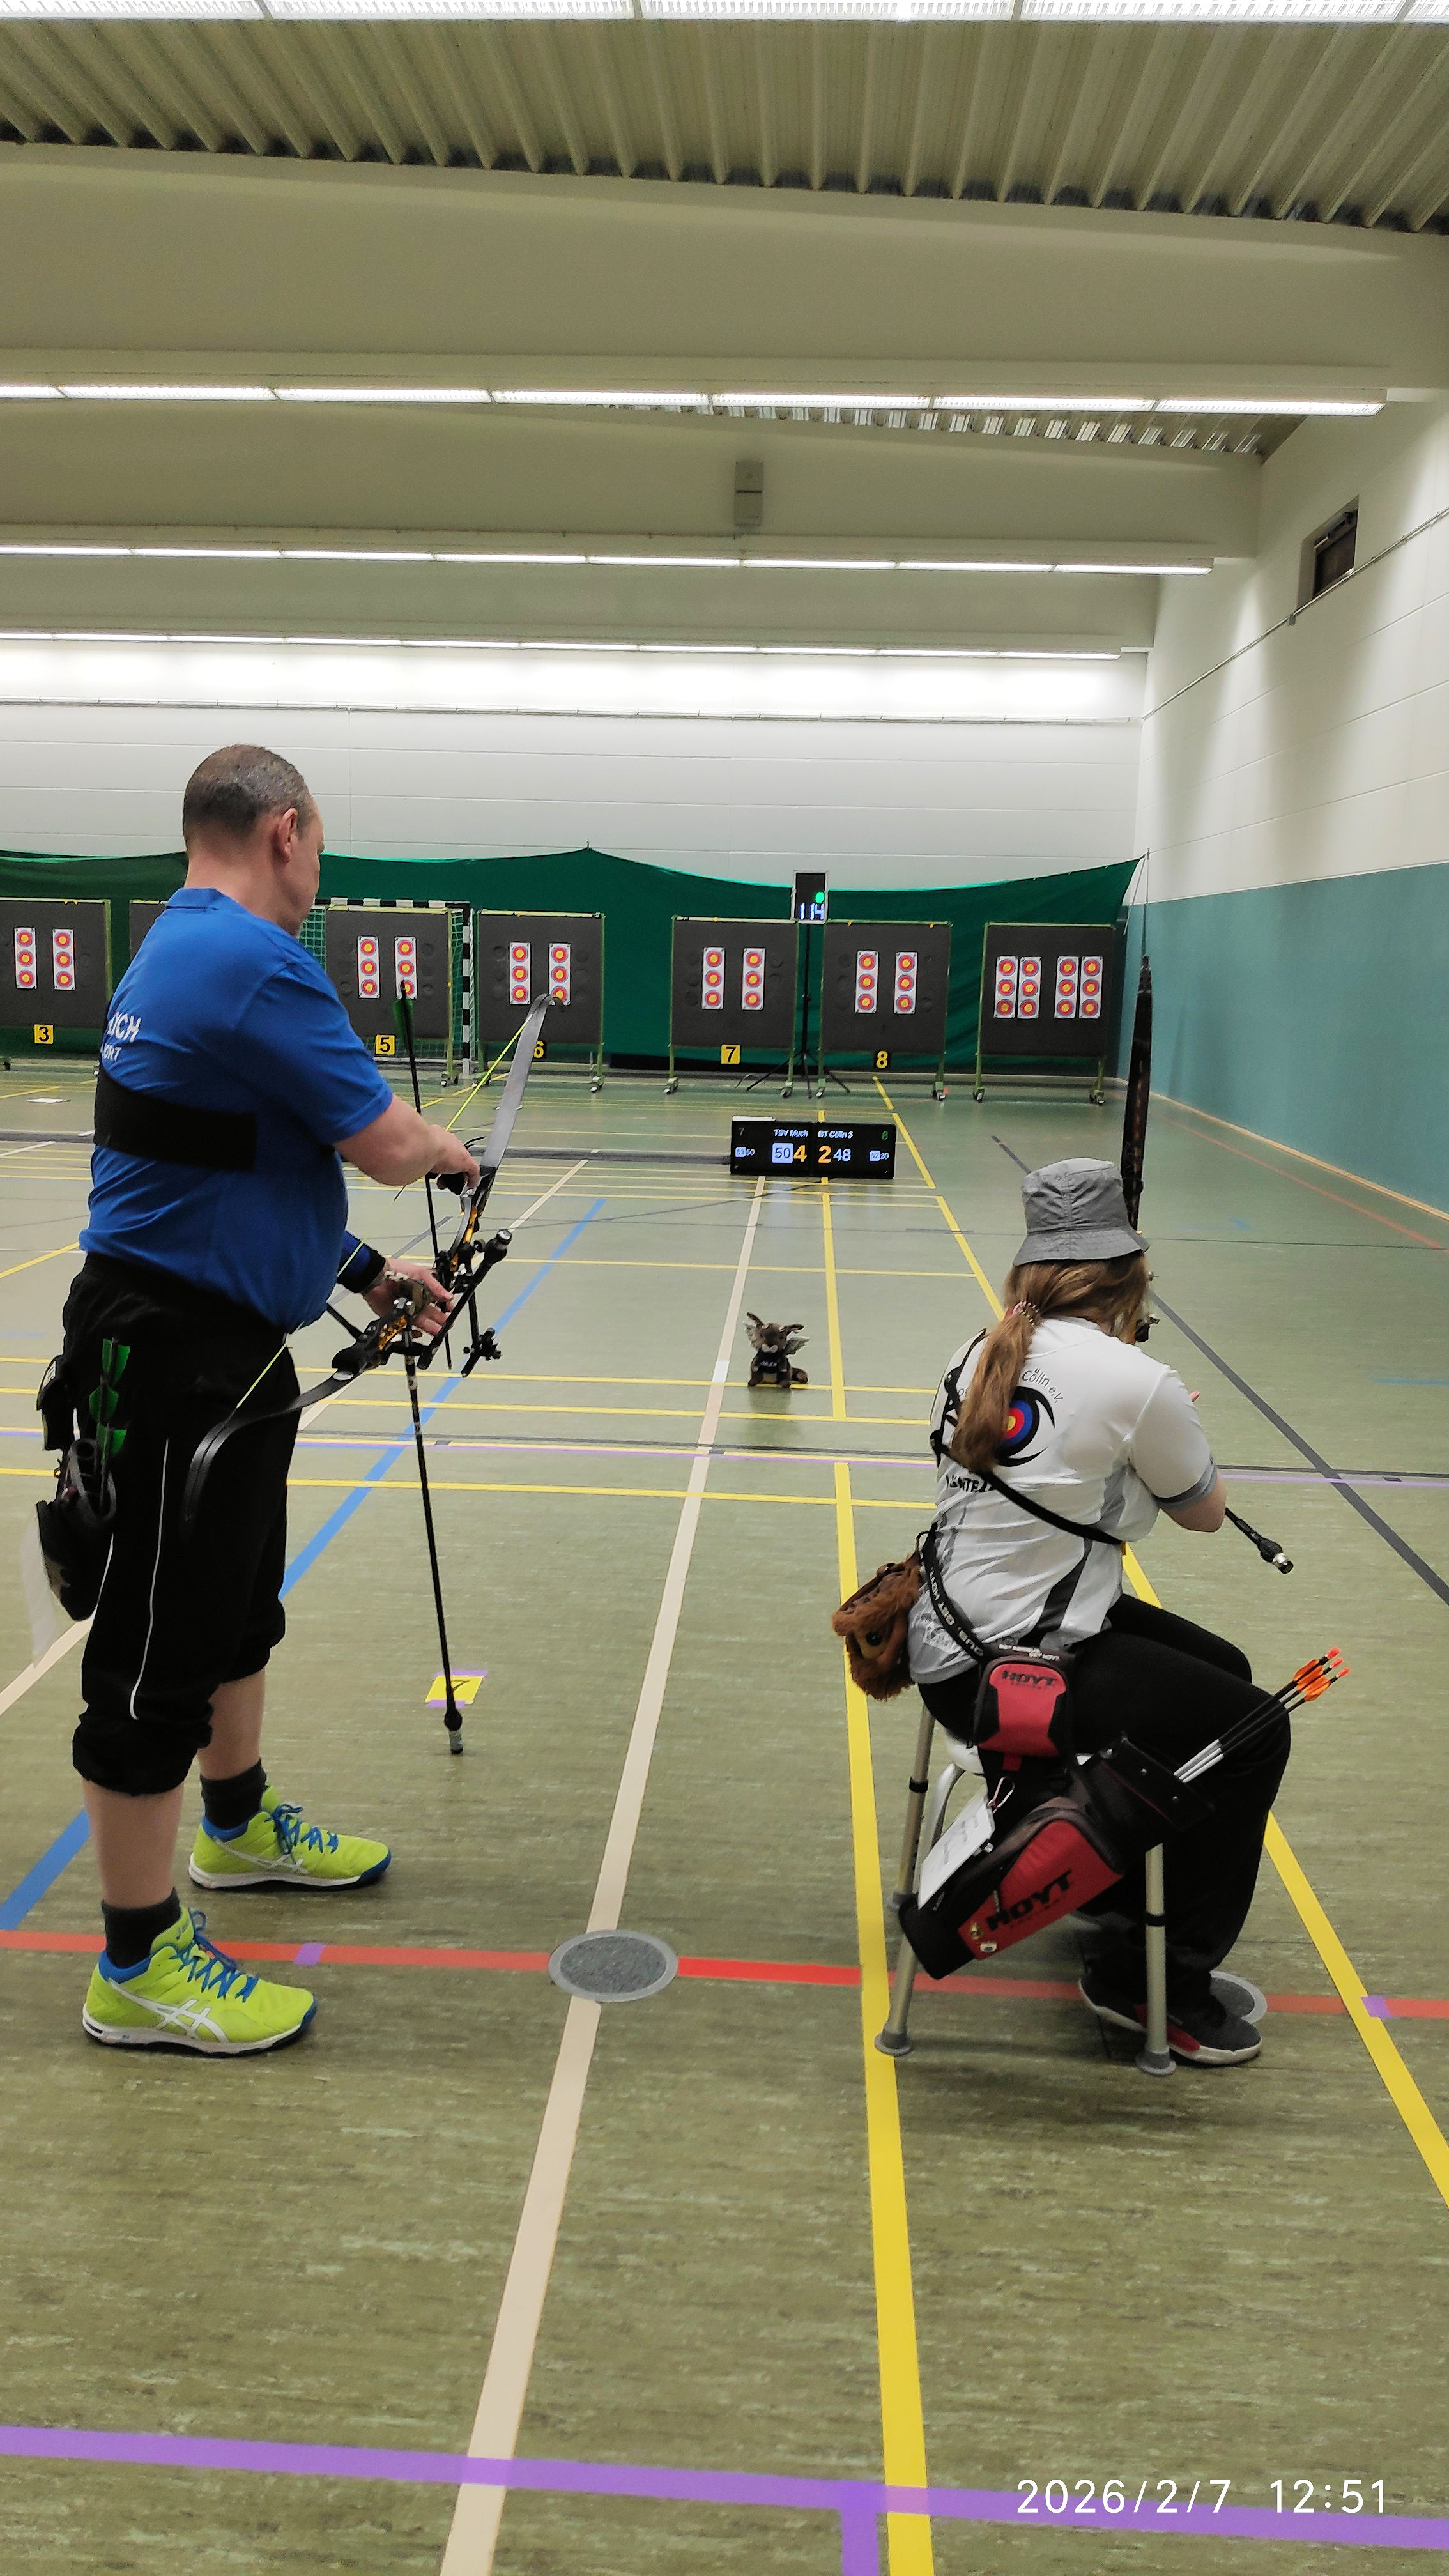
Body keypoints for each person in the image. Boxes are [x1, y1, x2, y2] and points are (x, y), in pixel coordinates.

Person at [56, 744, 479, 2056]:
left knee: (236, 1611)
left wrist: (363, 1272)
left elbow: (221, 1162)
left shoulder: (176, 948)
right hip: (173, 1359)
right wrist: (452, 1153)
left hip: (220, 1351)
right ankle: (138, 1966)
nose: (317, 877)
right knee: (151, 1664)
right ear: (285, 831)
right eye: (319, 851)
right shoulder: (253, 959)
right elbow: (387, 1144)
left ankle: (235, 1830)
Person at [906, 1156, 1289, 2067]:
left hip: (950, 1645)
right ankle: (1157, 1980)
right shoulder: (1135, 1380)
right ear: (1130, 1274)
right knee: (1256, 1730)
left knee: (1226, 1675)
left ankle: (1114, 1885)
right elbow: (1202, 1514)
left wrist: (1135, 1446)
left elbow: (1055, 1492)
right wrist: (1166, 1428)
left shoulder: (976, 1351)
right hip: (1019, 1673)